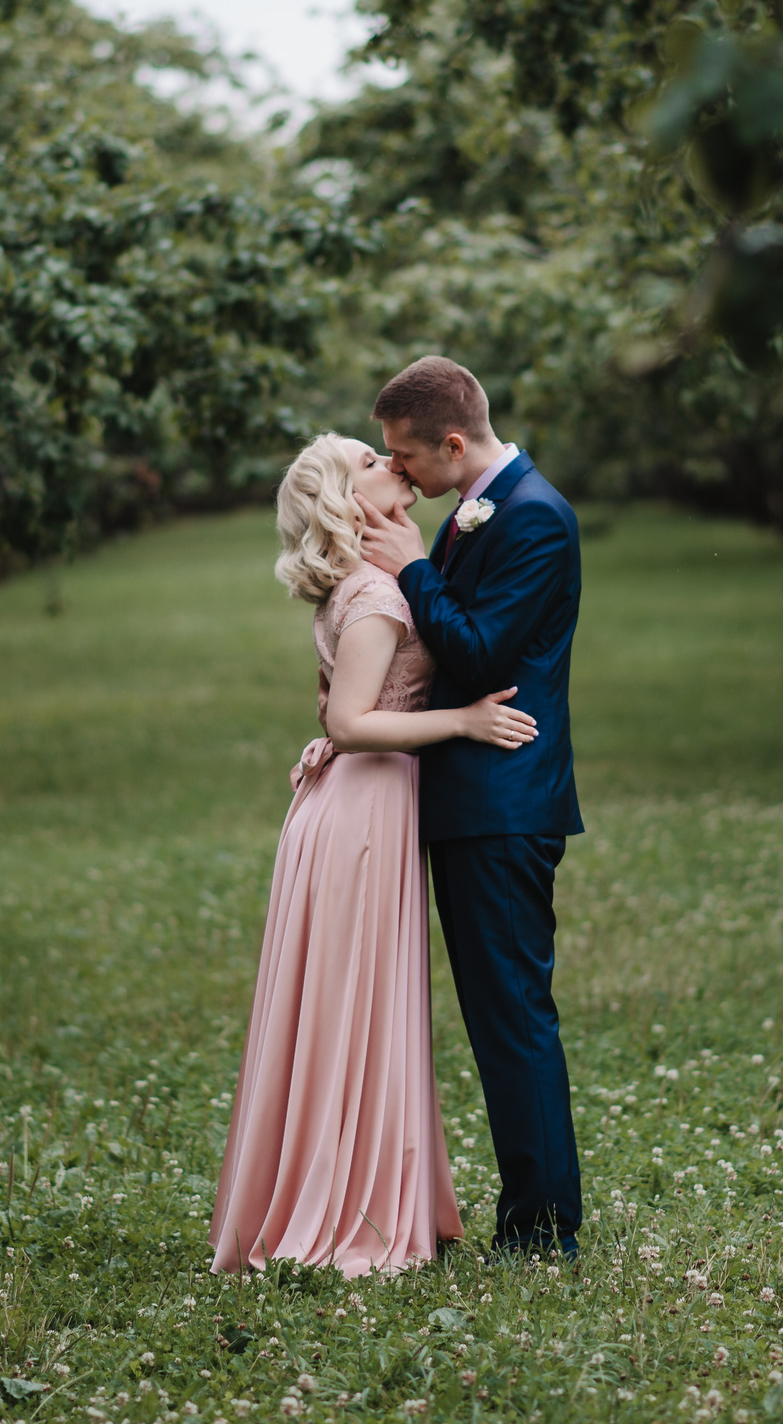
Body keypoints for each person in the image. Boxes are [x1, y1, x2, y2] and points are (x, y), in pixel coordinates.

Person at [209, 432, 539, 1277]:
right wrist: (463, 722)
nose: (392, 464)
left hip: (367, 805)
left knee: (359, 1009)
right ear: (344, 502)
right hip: (360, 812)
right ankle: (343, 1209)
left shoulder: (382, 583)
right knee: (349, 1009)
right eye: (369, 460)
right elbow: (352, 721)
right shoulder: (375, 597)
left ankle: (364, 1192)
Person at [357, 356, 586, 1260]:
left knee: (513, 1020)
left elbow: (484, 651)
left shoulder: (536, 516)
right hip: (469, 797)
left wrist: (414, 568)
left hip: (503, 803)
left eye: (405, 456)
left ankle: (541, 1232)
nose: (399, 471)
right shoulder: (479, 505)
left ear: (453, 442)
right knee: (497, 1023)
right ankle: (529, 1218)